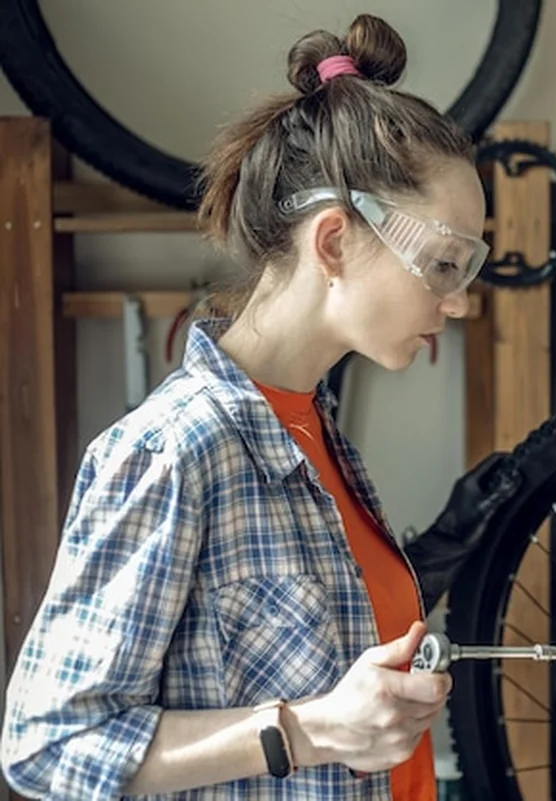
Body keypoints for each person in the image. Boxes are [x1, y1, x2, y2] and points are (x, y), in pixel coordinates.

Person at [0, 13, 520, 800]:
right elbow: (47, 745)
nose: (457, 302)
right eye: (444, 263)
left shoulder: (314, 433)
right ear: (336, 241)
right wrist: (309, 730)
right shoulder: (174, 452)